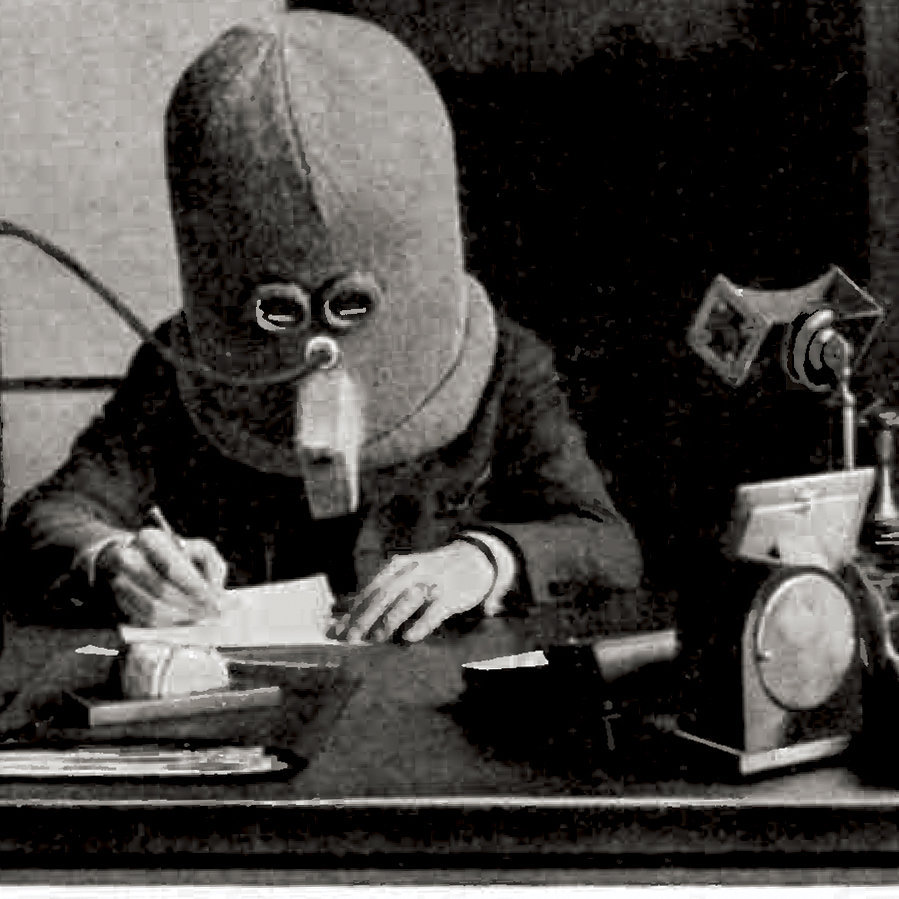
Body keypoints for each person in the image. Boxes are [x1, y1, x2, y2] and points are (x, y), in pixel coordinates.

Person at [3, 11, 642, 643]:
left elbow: (605, 540)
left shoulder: (506, 365)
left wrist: (484, 561)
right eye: (277, 312)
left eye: (350, 307)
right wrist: (115, 560)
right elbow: (50, 514)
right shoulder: (177, 372)